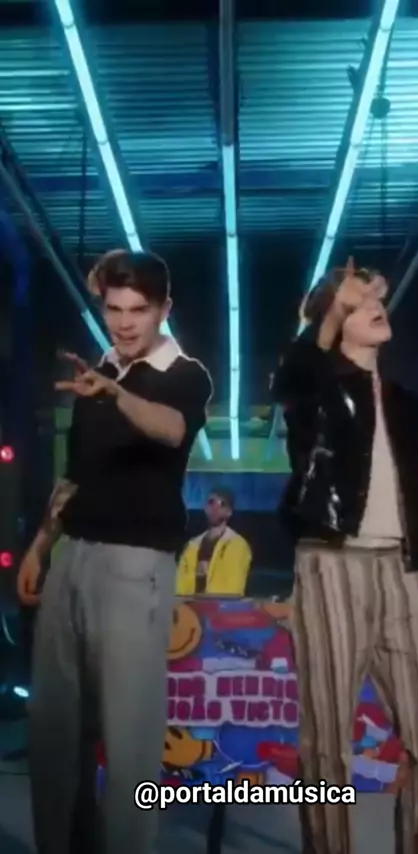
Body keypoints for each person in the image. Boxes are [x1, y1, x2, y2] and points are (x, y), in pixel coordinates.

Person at [17, 249, 213, 854]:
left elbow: (171, 429)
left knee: (129, 738)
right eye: (114, 309)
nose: (124, 323)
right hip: (72, 557)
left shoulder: (185, 374)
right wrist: (41, 546)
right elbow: (75, 474)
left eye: (138, 310)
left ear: (163, 310)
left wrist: (116, 394)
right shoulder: (97, 373)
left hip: (135, 564)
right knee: (54, 732)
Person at [272, 261, 418, 854]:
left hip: (404, 571)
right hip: (331, 565)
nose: (377, 307)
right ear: (336, 321)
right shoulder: (312, 389)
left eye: (377, 298)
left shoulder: (409, 405)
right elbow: (295, 369)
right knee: (327, 741)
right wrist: (332, 307)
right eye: (360, 303)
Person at [176, 487, 252, 595]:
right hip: (191, 604)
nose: (215, 508)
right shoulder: (192, 546)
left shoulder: (238, 546)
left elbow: (234, 589)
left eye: (222, 504)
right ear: (205, 508)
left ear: (229, 512)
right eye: (211, 502)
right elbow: (180, 585)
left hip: (220, 605)